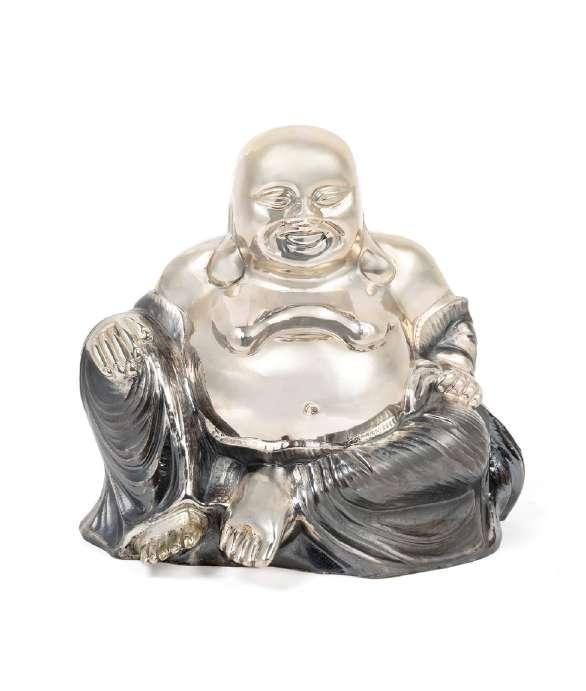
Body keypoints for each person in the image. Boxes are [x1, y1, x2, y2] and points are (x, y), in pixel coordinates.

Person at [80, 126, 523, 577]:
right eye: (277, 199)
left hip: (370, 456)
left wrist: (451, 369)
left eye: (329, 198)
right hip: (220, 451)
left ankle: (285, 492)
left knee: (463, 435)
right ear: (238, 207)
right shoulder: (195, 274)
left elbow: (448, 330)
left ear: (357, 200)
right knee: (111, 358)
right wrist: (117, 332)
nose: (305, 218)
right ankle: (183, 502)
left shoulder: (402, 266)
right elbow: (150, 335)